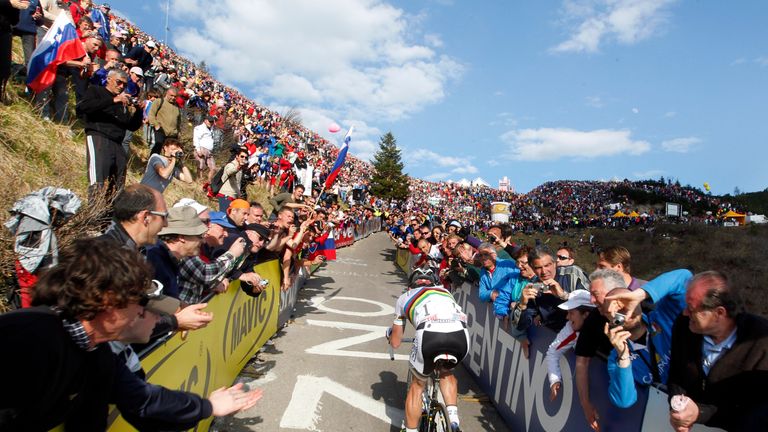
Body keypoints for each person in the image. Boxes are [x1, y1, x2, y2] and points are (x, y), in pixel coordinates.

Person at [0, 237, 263, 430]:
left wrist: (208, 407)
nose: (154, 314)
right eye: (143, 305)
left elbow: (143, 403)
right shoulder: (26, 337)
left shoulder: (98, 353)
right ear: (108, 302)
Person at [667, 271, 768, 431]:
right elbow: (676, 374)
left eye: (692, 309)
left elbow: (753, 407)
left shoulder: (761, 341)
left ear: (719, 313)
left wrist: (699, 413)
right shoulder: (684, 326)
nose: (685, 313)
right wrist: (678, 408)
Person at [574, 247, 647, 431]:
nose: (591, 300)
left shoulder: (650, 305)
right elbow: (582, 361)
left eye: (595, 295)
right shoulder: (596, 321)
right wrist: (585, 403)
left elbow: (683, 278)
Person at [388, 270, 468, 432]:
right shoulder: (445, 292)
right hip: (461, 334)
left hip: (429, 335)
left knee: (417, 386)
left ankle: (411, 430)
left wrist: (390, 336)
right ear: (435, 283)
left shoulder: (405, 296)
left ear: (410, 285)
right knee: (447, 372)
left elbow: (396, 342)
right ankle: (454, 421)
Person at [602, 268, 691, 408]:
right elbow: (624, 401)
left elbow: (685, 276)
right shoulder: (616, 358)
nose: (625, 310)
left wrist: (642, 293)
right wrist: (623, 356)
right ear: (609, 318)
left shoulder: (663, 316)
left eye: (627, 302)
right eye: (616, 310)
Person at [77, 68, 143, 199]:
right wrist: (113, 101)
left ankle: (109, 215)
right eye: (119, 82)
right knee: (98, 180)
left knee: (117, 184)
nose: (121, 86)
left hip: (117, 143)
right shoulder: (96, 90)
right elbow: (83, 107)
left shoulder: (122, 102)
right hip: (98, 136)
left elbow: (131, 125)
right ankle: (94, 213)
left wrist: (139, 111)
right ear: (109, 79)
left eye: (124, 84)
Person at [546, 290, 596, 401]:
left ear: (586, 315)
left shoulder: (607, 326)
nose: (567, 317)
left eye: (571, 313)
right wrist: (554, 379)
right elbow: (553, 351)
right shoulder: (571, 327)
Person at [148, 86, 182, 154]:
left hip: (172, 133)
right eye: (171, 95)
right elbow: (151, 114)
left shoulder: (177, 106)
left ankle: (168, 164)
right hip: (161, 130)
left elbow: (178, 120)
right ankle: (152, 163)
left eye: (175, 96)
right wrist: (156, 125)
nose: (173, 98)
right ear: (167, 93)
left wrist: (178, 131)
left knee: (172, 152)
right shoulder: (159, 101)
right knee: (158, 147)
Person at [193, 114, 216, 183]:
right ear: (205, 121)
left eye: (212, 122)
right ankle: (199, 181)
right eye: (210, 121)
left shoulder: (211, 129)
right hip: (201, 148)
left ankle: (208, 182)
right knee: (201, 166)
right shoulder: (199, 128)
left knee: (213, 168)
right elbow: (196, 139)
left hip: (209, 151)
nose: (211, 123)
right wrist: (198, 150)